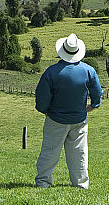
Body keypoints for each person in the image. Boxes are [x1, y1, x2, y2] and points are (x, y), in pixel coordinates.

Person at [34, 33, 103, 189]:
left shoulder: (51, 72)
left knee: (50, 152)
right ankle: (80, 184)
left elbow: (42, 97)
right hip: (79, 119)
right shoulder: (88, 71)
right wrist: (93, 106)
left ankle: (43, 182)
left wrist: (44, 110)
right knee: (79, 153)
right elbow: (97, 93)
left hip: (55, 119)